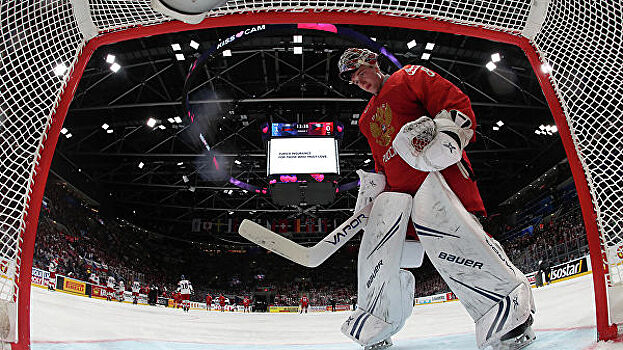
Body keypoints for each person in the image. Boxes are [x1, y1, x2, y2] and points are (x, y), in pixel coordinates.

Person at [336, 48, 536, 350]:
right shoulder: (366, 120)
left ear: (373, 64)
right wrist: (374, 197)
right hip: (402, 201)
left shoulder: (409, 77)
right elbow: (382, 164)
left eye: (361, 73)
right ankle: (378, 320)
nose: (359, 81)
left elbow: (456, 106)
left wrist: (445, 135)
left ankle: (507, 315)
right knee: (384, 259)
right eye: (353, 80)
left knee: (459, 248)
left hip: (439, 183)